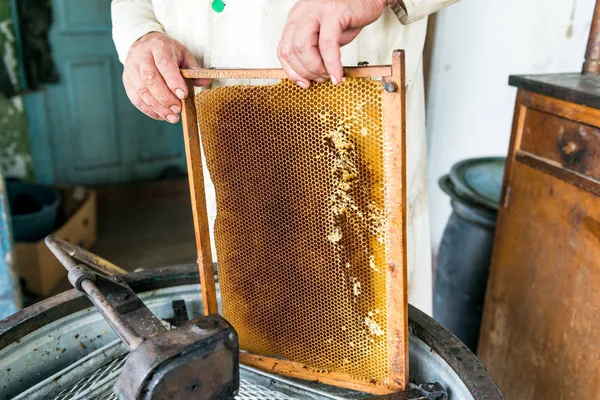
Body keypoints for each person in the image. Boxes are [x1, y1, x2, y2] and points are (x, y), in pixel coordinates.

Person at [111, 0, 459, 315]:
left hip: (347, 137)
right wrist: (140, 36)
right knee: (248, 321)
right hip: (222, 142)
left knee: (360, 314)